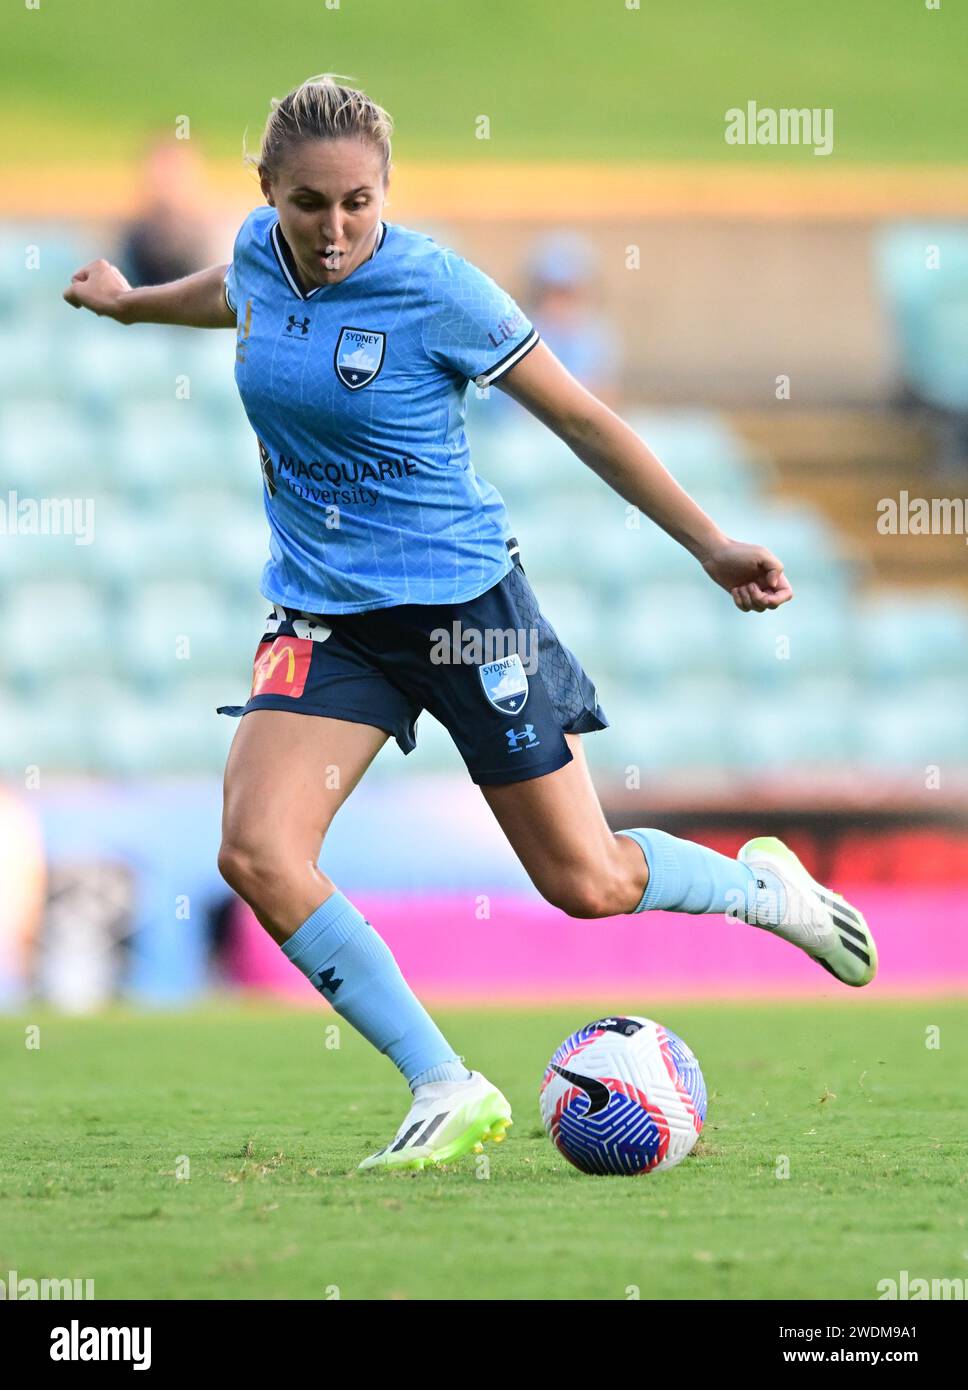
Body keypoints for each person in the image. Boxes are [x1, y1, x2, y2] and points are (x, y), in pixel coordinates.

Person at [64, 74, 878, 1173]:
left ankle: (762, 889)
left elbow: (584, 421)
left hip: (463, 610)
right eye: (310, 204)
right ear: (268, 193)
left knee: (584, 882)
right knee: (257, 852)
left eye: (359, 202)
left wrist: (710, 544)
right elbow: (236, 291)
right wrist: (132, 304)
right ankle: (445, 1082)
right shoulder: (262, 251)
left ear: (385, 192)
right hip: (329, 619)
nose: (337, 227)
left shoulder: (436, 287)